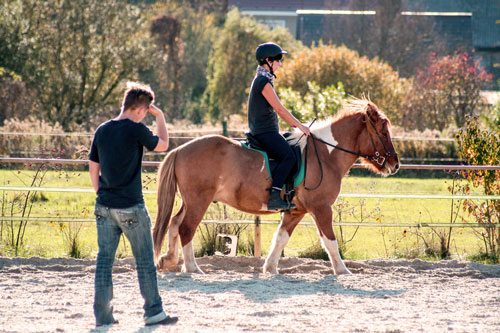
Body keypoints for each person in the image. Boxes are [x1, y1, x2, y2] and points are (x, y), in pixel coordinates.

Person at [88, 82, 178, 327]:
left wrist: (103, 195)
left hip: (104, 205)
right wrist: (159, 116)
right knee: (144, 261)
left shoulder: (102, 130)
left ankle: (103, 316)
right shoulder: (135, 129)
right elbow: (163, 144)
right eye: (148, 111)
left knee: (104, 260)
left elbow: (93, 168)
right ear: (142, 109)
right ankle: (153, 312)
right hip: (131, 207)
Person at [248, 42, 311, 211]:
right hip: (265, 132)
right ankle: (275, 196)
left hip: (266, 130)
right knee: (289, 157)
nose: (280, 63)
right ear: (268, 60)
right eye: (279, 59)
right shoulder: (263, 82)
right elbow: (279, 109)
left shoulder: (262, 80)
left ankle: (287, 191)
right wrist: (300, 126)